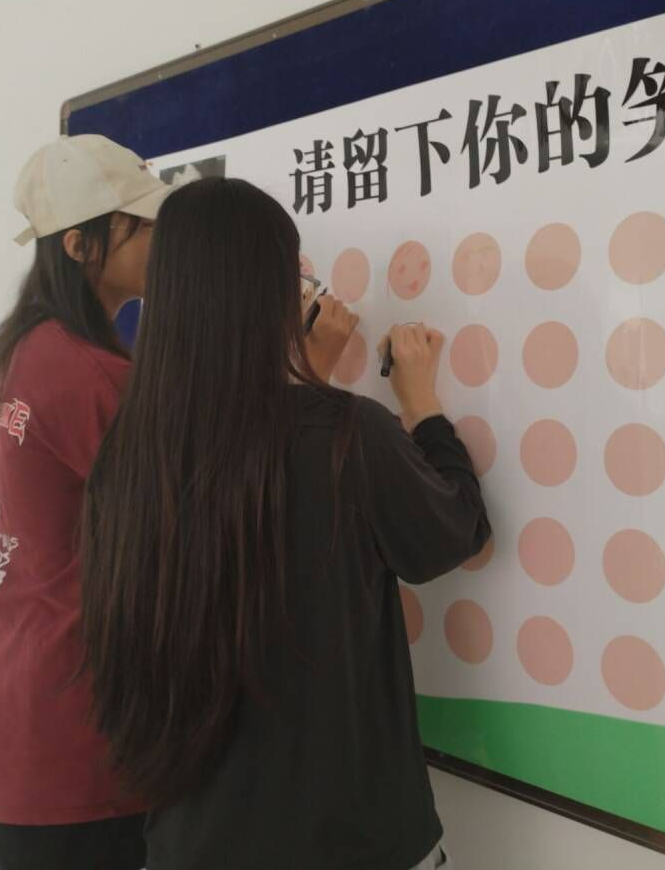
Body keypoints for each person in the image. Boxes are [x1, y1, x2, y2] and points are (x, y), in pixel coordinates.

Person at [0, 138, 359, 869]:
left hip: (15, 713)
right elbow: (206, 514)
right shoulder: (91, 377)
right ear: (79, 244)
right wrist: (311, 376)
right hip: (79, 739)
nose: (163, 241)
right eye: (144, 226)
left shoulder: (23, 349)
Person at [81, 177, 490, 870]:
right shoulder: (347, 434)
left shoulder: (130, 452)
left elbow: (253, 477)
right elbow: (454, 530)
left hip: (192, 844)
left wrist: (308, 377)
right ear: (274, 294)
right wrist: (421, 404)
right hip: (354, 845)